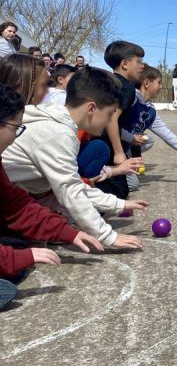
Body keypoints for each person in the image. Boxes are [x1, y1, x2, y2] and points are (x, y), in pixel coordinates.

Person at [2, 67, 146, 249]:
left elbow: (75, 185)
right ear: (92, 108)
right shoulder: (58, 133)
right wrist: (108, 236)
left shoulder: (60, 124)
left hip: (20, 193)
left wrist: (118, 204)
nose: (109, 121)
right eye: (109, 114)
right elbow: (71, 191)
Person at [0, 84, 104, 310]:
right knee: (10, 278)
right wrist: (18, 258)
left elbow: (16, 206)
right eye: (15, 128)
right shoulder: (58, 134)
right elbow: (70, 189)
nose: (16, 137)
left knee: (17, 251)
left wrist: (67, 232)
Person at [93, 41, 145, 199]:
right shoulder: (125, 86)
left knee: (107, 187)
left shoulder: (110, 81)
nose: (142, 66)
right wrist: (119, 152)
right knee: (117, 192)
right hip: (107, 147)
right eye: (139, 61)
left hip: (98, 144)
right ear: (124, 64)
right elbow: (111, 118)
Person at [123, 64, 177, 162]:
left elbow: (166, 133)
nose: (161, 86)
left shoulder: (151, 110)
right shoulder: (130, 99)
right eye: (159, 82)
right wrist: (130, 138)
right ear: (146, 83)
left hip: (126, 145)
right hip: (112, 145)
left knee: (147, 141)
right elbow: (112, 126)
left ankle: (126, 157)